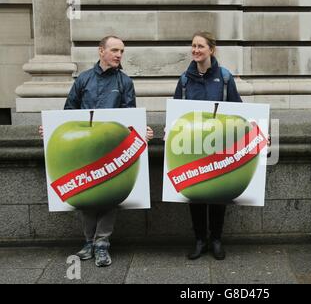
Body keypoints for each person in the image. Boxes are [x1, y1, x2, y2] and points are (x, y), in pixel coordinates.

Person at [39, 35, 154, 267]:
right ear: (101, 51)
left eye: (121, 51)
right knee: (85, 194)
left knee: (109, 197)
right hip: (83, 147)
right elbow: (68, 113)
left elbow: (129, 116)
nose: (119, 55)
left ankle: (102, 243)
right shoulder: (83, 80)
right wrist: (50, 130)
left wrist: (143, 131)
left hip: (112, 147)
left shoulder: (124, 82)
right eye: (114, 50)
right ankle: (89, 241)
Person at [173, 31, 242, 260]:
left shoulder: (224, 78)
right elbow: (176, 115)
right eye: (193, 46)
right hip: (192, 147)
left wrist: (259, 132)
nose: (195, 50)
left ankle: (216, 239)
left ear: (211, 50)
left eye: (200, 46)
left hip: (219, 146)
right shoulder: (184, 80)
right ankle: (200, 240)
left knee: (219, 196)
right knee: (196, 196)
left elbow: (239, 111)